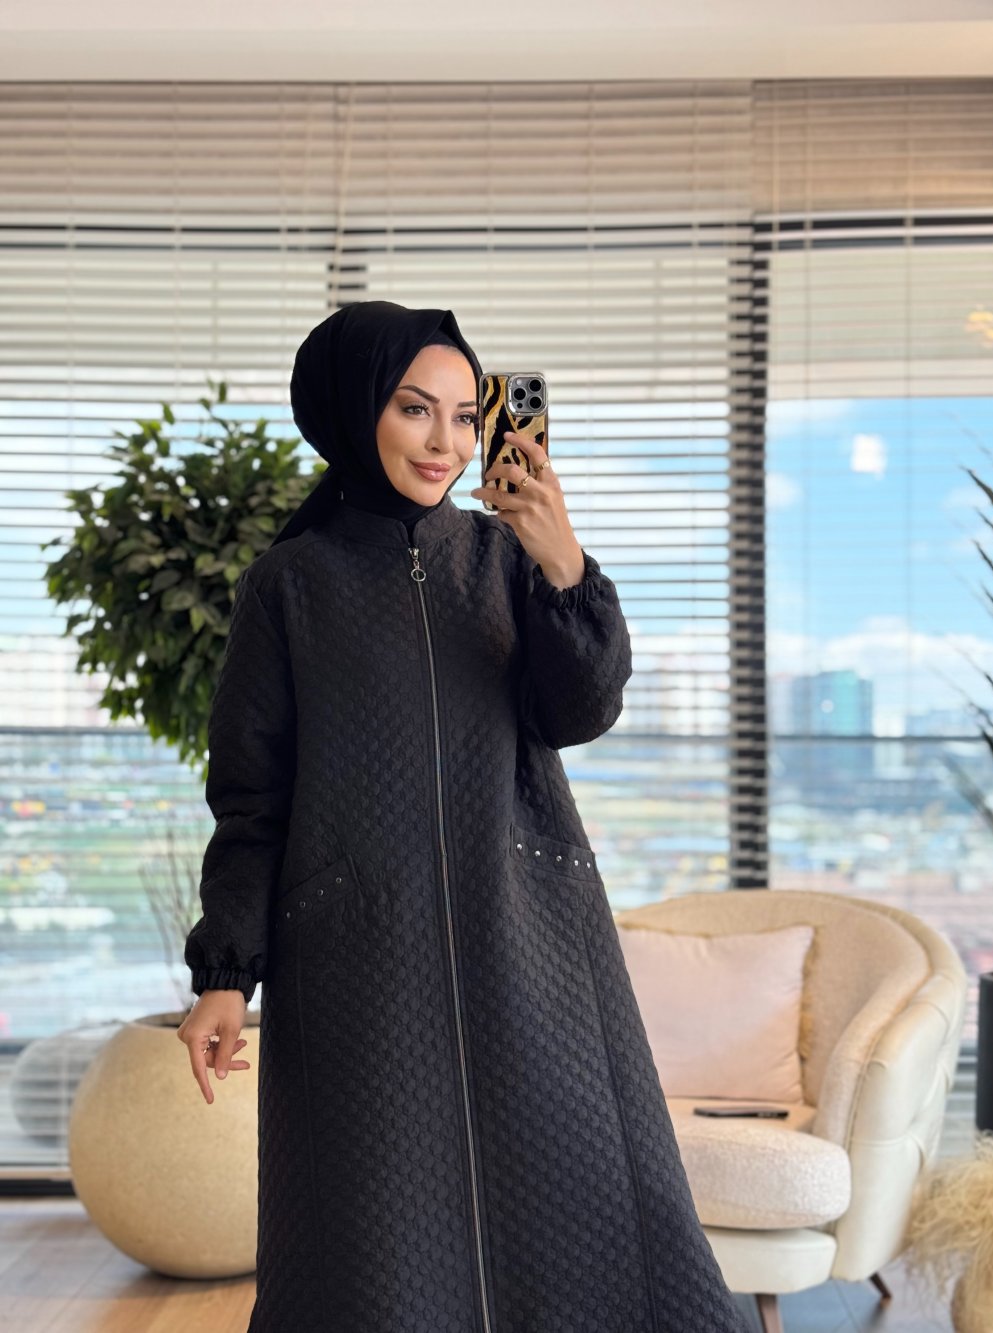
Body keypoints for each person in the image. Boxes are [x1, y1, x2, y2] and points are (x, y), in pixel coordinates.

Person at [177, 300, 752, 1333]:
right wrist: (226, 971)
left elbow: (580, 711)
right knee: (378, 1236)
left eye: (461, 414)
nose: (444, 441)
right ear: (355, 409)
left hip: (531, 936)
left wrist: (562, 562)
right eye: (413, 409)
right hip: (358, 957)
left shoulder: (506, 560)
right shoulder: (290, 586)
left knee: (592, 1200)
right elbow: (252, 796)